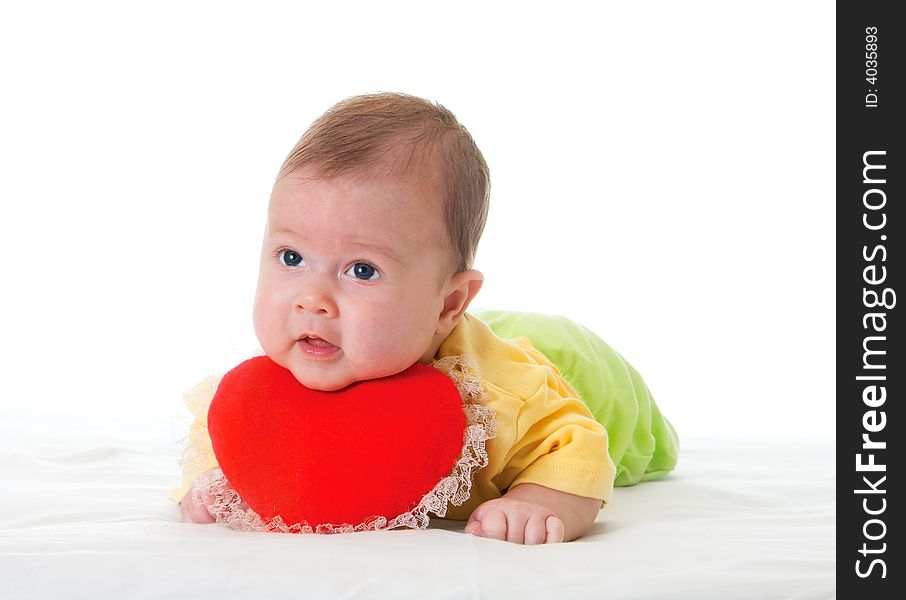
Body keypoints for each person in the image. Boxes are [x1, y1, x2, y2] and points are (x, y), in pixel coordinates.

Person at [174, 92, 677, 544]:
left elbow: (580, 447)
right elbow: (223, 439)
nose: (312, 300)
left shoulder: (503, 395)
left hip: (572, 365)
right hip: (417, 336)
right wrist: (210, 483)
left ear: (447, 305)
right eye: (290, 257)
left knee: (642, 446)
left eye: (362, 270)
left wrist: (544, 501)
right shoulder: (280, 376)